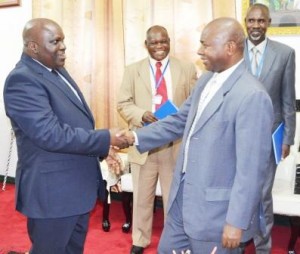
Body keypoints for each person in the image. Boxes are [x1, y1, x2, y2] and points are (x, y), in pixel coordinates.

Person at [120, 17, 274, 254]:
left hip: (217, 214)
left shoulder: (252, 95)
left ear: (230, 47)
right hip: (183, 201)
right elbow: (179, 121)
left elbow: (251, 169)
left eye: (206, 45)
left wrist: (236, 221)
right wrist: (134, 138)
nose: (199, 51)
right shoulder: (206, 79)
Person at [3, 18, 129, 254]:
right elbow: (50, 134)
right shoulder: (22, 80)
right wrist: (105, 138)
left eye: (63, 40)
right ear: (33, 47)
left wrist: (102, 150)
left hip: (76, 190)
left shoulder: (55, 69)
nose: (63, 47)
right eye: (55, 41)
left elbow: (74, 122)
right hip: (53, 195)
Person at [117, 25, 197, 254]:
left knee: (174, 198)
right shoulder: (133, 70)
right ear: (146, 44)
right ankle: (139, 240)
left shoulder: (187, 68)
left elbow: (194, 103)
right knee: (142, 196)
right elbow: (123, 103)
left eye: (163, 42)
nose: (159, 47)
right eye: (154, 43)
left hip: (175, 145)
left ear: (169, 42)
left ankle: (174, 240)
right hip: (144, 143)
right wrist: (141, 114)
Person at [244, 4, 296, 253]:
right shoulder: (232, 51)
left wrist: (288, 138)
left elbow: (288, 98)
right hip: (236, 137)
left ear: (269, 22)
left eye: (261, 21)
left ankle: (262, 246)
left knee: (263, 195)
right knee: (238, 192)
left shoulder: (285, 53)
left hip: (268, 137)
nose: (256, 26)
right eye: (252, 21)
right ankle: (239, 240)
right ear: (245, 21)